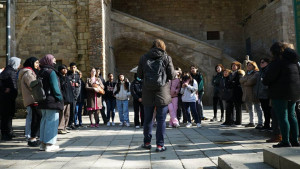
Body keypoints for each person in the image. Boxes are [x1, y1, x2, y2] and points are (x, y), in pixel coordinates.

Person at [137, 39, 175, 152]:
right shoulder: (167, 57)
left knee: (148, 119)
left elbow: (139, 75)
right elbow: (172, 75)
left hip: (148, 92)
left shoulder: (143, 57)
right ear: (163, 46)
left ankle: (147, 142)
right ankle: (160, 145)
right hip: (162, 92)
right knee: (161, 120)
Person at [263, 42, 300, 148]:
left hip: (280, 93)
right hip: (294, 93)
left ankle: (285, 141)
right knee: (292, 115)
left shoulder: (277, 62)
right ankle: (295, 140)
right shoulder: (294, 62)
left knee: (282, 116)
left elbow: (268, 79)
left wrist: (265, 80)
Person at [38, 54, 63, 151]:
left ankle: (43, 144)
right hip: (52, 101)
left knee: (44, 121)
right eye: (53, 60)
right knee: (52, 122)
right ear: (49, 61)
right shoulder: (51, 72)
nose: (55, 62)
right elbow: (55, 87)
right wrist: (59, 97)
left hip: (42, 100)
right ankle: (50, 144)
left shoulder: (40, 72)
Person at [19, 57, 42, 146]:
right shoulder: (29, 73)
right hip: (33, 98)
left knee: (36, 118)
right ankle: (32, 138)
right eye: (36, 63)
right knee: (36, 118)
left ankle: (33, 137)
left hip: (33, 98)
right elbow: (33, 85)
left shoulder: (29, 72)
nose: (38, 65)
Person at [0, 57, 21, 141]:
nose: (19, 65)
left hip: (9, 97)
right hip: (6, 98)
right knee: (6, 116)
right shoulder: (8, 71)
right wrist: (4, 89)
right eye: (18, 63)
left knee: (9, 115)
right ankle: (6, 133)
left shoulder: (11, 71)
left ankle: (9, 132)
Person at [240, 61, 263, 128]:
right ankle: (251, 122)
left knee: (258, 108)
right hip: (247, 93)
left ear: (253, 66)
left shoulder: (256, 73)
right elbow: (241, 80)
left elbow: (250, 82)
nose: (248, 66)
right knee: (250, 109)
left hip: (254, 93)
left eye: (250, 65)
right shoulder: (247, 73)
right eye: (248, 65)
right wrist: (245, 80)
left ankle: (260, 122)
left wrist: (245, 82)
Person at [254, 58, 272, 131]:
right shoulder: (261, 71)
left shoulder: (268, 70)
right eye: (260, 62)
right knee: (265, 110)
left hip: (266, 94)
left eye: (263, 62)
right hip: (261, 94)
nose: (261, 63)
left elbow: (267, 82)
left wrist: (265, 88)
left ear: (267, 63)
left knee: (268, 110)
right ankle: (266, 124)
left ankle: (270, 124)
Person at [58, 65, 74, 134]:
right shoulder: (59, 78)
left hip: (68, 98)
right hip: (63, 99)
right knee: (61, 114)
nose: (65, 70)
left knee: (67, 114)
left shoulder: (67, 78)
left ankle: (65, 126)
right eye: (63, 69)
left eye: (66, 69)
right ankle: (60, 128)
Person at [230, 61, 244, 126]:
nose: (233, 67)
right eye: (232, 66)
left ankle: (239, 122)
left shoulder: (239, 73)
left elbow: (238, 82)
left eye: (234, 66)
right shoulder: (232, 73)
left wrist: (233, 82)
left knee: (238, 107)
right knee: (235, 107)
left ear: (238, 66)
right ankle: (236, 120)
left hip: (238, 92)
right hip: (233, 92)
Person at [67, 62, 81, 129]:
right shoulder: (68, 74)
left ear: (76, 68)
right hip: (69, 94)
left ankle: (71, 123)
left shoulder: (77, 75)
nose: (73, 69)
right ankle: (67, 123)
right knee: (68, 110)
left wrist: (77, 84)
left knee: (73, 110)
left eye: (74, 67)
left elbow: (79, 84)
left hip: (74, 94)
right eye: (72, 67)